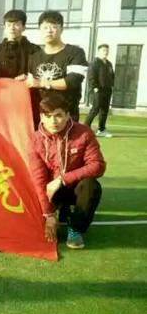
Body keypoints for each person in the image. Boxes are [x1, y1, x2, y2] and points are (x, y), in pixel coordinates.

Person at [28, 94, 105, 249]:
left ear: (68, 115)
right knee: (32, 224)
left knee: (91, 186)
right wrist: (49, 214)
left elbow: (98, 165)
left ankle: (75, 228)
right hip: (49, 190)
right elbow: (38, 178)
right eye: (48, 116)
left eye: (58, 115)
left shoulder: (84, 133)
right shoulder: (35, 140)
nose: (53, 121)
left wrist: (62, 179)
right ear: (41, 117)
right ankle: (59, 210)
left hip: (74, 187)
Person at [27, 10, 88, 123]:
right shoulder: (34, 57)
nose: (49, 31)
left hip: (66, 116)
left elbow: (72, 81)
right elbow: (31, 85)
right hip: (42, 118)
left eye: (54, 26)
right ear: (40, 30)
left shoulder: (75, 53)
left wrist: (42, 83)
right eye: (45, 27)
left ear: (62, 29)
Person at [0, 9, 40, 80]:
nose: (12, 28)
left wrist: (28, 78)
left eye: (16, 24)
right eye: (8, 25)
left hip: (25, 86)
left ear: (24, 27)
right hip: (2, 86)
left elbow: (38, 74)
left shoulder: (34, 49)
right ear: (5, 28)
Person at [85, 44, 115, 138]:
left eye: (107, 50)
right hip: (98, 90)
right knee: (95, 109)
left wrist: (112, 85)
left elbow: (112, 76)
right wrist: (95, 87)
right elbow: (91, 76)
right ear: (99, 51)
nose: (106, 52)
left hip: (107, 90)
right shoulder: (94, 63)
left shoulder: (109, 64)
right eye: (103, 50)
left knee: (104, 110)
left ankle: (101, 130)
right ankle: (85, 128)